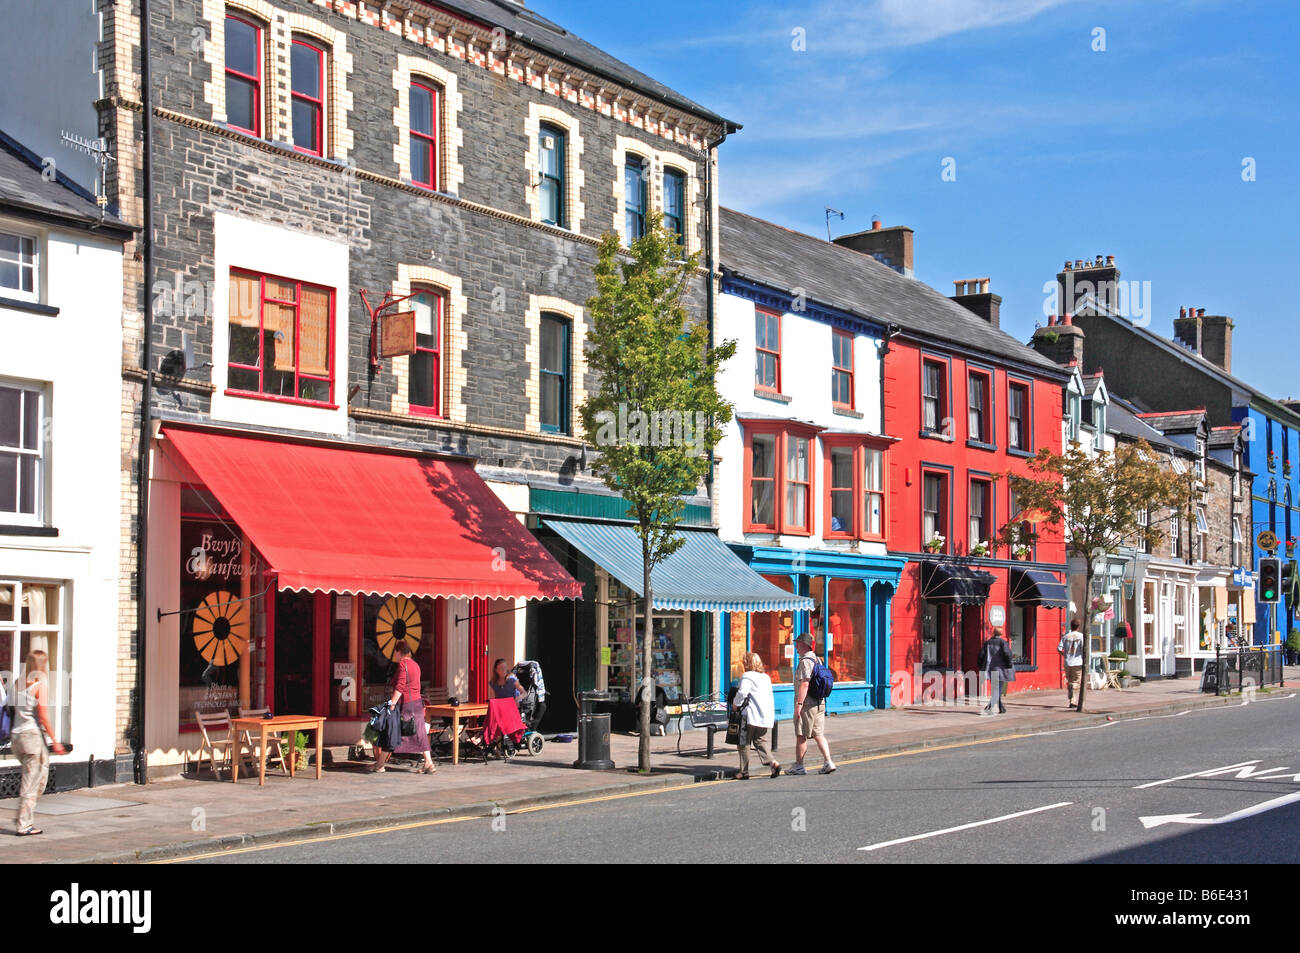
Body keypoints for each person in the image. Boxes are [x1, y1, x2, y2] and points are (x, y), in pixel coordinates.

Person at [12, 650, 65, 835]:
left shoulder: (18, 682)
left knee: (38, 779)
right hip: (32, 738)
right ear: (43, 665)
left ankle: (22, 815)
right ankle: (24, 824)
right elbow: (43, 717)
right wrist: (55, 741)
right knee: (32, 783)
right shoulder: (39, 685)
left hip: (17, 737)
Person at [370, 640, 435, 774]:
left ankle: (380, 765)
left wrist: (392, 704)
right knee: (420, 733)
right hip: (417, 704)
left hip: (405, 705)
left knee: (391, 732)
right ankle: (429, 763)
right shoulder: (415, 665)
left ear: (399, 652)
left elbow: (400, 687)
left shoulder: (403, 665)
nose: (394, 653)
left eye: (395, 651)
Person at [790, 632, 836, 775]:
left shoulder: (805, 662)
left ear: (804, 645)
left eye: (797, 644)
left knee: (801, 735)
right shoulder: (818, 660)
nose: (796, 646)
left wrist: (799, 705)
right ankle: (828, 762)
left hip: (807, 705)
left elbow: (805, 684)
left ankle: (799, 766)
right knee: (818, 734)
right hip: (820, 702)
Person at [733, 652, 781, 779]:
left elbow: (742, 693)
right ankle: (773, 762)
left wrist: (735, 704)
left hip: (750, 715)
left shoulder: (747, 676)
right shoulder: (765, 677)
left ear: (747, 664)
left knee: (744, 743)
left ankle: (744, 772)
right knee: (760, 741)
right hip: (765, 715)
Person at [978, 627, 1015, 716]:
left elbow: (981, 655)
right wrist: (1009, 665)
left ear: (993, 633)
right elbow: (1007, 654)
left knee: (995, 689)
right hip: (1001, 669)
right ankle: (989, 707)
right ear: (1001, 633)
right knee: (998, 690)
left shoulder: (987, 643)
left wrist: (980, 666)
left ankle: (1001, 707)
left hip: (991, 669)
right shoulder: (1002, 643)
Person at [1058, 619, 1085, 709]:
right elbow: (1083, 649)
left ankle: (1072, 702)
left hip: (1067, 662)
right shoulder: (1081, 636)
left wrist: (1064, 655)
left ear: (1071, 626)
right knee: (1077, 682)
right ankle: (1072, 687)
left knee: (1070, 681)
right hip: (1077, 662)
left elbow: (1059, 648)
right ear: (1078, 626)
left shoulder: (1066, 637)